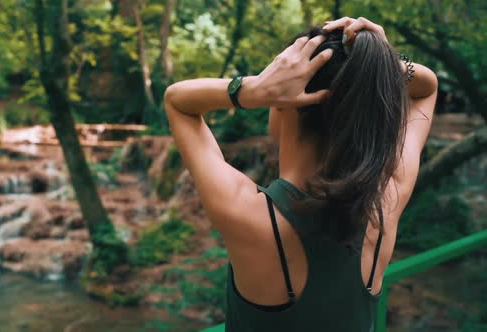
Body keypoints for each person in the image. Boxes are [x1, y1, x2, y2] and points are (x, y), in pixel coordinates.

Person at [163, 16, 438, 332]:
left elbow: (178, 101)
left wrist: (251, 89)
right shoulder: (387, 200)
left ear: (281, 104)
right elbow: (426, 88)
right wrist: (377, 65)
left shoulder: (251, 216)